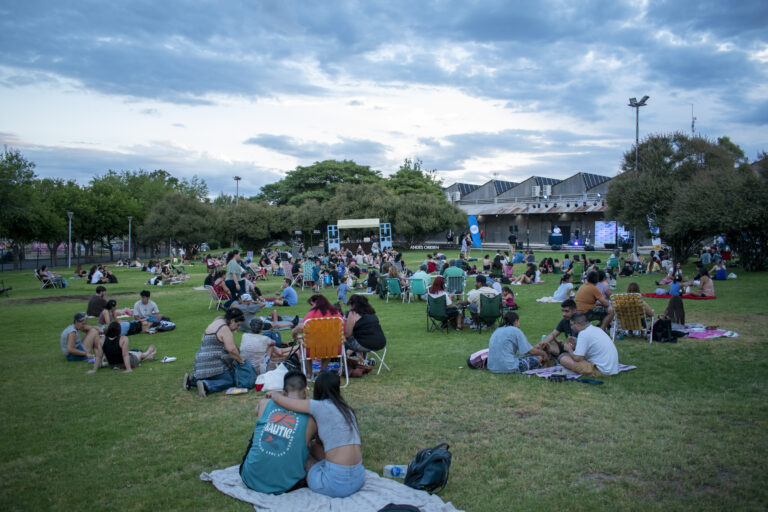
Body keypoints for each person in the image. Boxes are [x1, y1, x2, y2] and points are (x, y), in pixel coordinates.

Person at [269, 371, 364, 498]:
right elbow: (320, 445)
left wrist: (274, 394)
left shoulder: (318, 406)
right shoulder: (347, 410)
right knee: (314, 446)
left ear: (317, 389)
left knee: (304, 454)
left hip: (334, 486)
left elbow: (283, 401)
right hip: (359, 478)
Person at [239, 371, 318, 494]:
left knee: (259, 428)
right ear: (304, 392)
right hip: (286, 484)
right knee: (306, 442)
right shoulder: (312, 418)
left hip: (250, 478)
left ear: (283, 392)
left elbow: (256, 412)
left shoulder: (265, 403)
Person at [183, 308, 246, 397]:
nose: (237, 328)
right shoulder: (224, 329)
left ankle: (192, 379)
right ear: (232, 321)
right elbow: (231, 349)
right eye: (238, 325)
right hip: (214, 364)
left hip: (200, 363)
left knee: (211, 375)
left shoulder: (217, 321)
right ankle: (207, 386)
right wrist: (241, 361)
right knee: (229, 381)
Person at [559, 312, 619, 377]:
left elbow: (577, 358)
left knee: (563, 359)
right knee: (565, 356)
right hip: (612, 369)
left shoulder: (583, 334)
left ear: (577, 324)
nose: (571, 328)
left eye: (571, 325)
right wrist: (577, 342)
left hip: (602, 371)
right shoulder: (596, 329)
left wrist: (569, 349)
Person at [87, 321, 156, 374]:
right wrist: (128, 369)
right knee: (138, 354)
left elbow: (99, 356)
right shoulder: (123, 339)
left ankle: (147, 355)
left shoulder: (102, 340)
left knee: (132, 352)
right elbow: (125, 355)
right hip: (124, 363)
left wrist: (94, 370)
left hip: (112, 364)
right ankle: (147, 353)